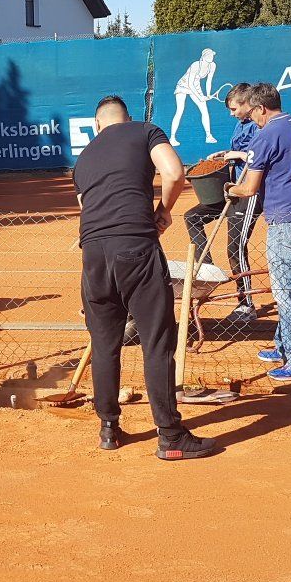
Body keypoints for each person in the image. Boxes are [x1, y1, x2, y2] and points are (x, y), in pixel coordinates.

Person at [73, 95, 217, 460]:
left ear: (97, 125)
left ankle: (109, 428)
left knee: (104, 345)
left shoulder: (84, 157)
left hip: (93, 255)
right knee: (156, 342)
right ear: (128, 118)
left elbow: (85, 208)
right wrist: (162, 211)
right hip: (135, 246)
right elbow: (174, 172)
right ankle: (170, 436)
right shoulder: (144, 131)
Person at [226, 83, 291, 382]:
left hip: (286, 218)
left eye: (252, 113)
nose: (251, 119)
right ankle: (283, 345)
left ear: (260, 108)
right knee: (288, 283)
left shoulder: (265, 134)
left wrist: (230, 189)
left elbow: (249, 188)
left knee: (285, 289)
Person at [183, 82, 263, 321]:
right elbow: (240, 152)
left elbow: (261, 156)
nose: (231, 113)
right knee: (192, 217)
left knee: (235, 248)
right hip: (232, 189)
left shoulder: (260, 125)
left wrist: (238, 155)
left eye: (234, 108)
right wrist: (225, 153)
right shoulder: (241, 125)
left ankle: (246, 304)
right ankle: (207, 268)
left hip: (249, 193)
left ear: (247, 103)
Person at [170, 48, 219, 146]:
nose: (211, 57)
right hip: (184, 84)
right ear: (203, 57)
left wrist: (208, 94)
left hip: (196, 85)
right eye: (208, 55)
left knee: (204, 110)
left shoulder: (212, 65)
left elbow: (209, 81)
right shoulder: (196, 65)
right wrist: (200, 97)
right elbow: (190, 83)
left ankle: (208, 136)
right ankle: (172, 138)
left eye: (212, 55)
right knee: (180, 110)